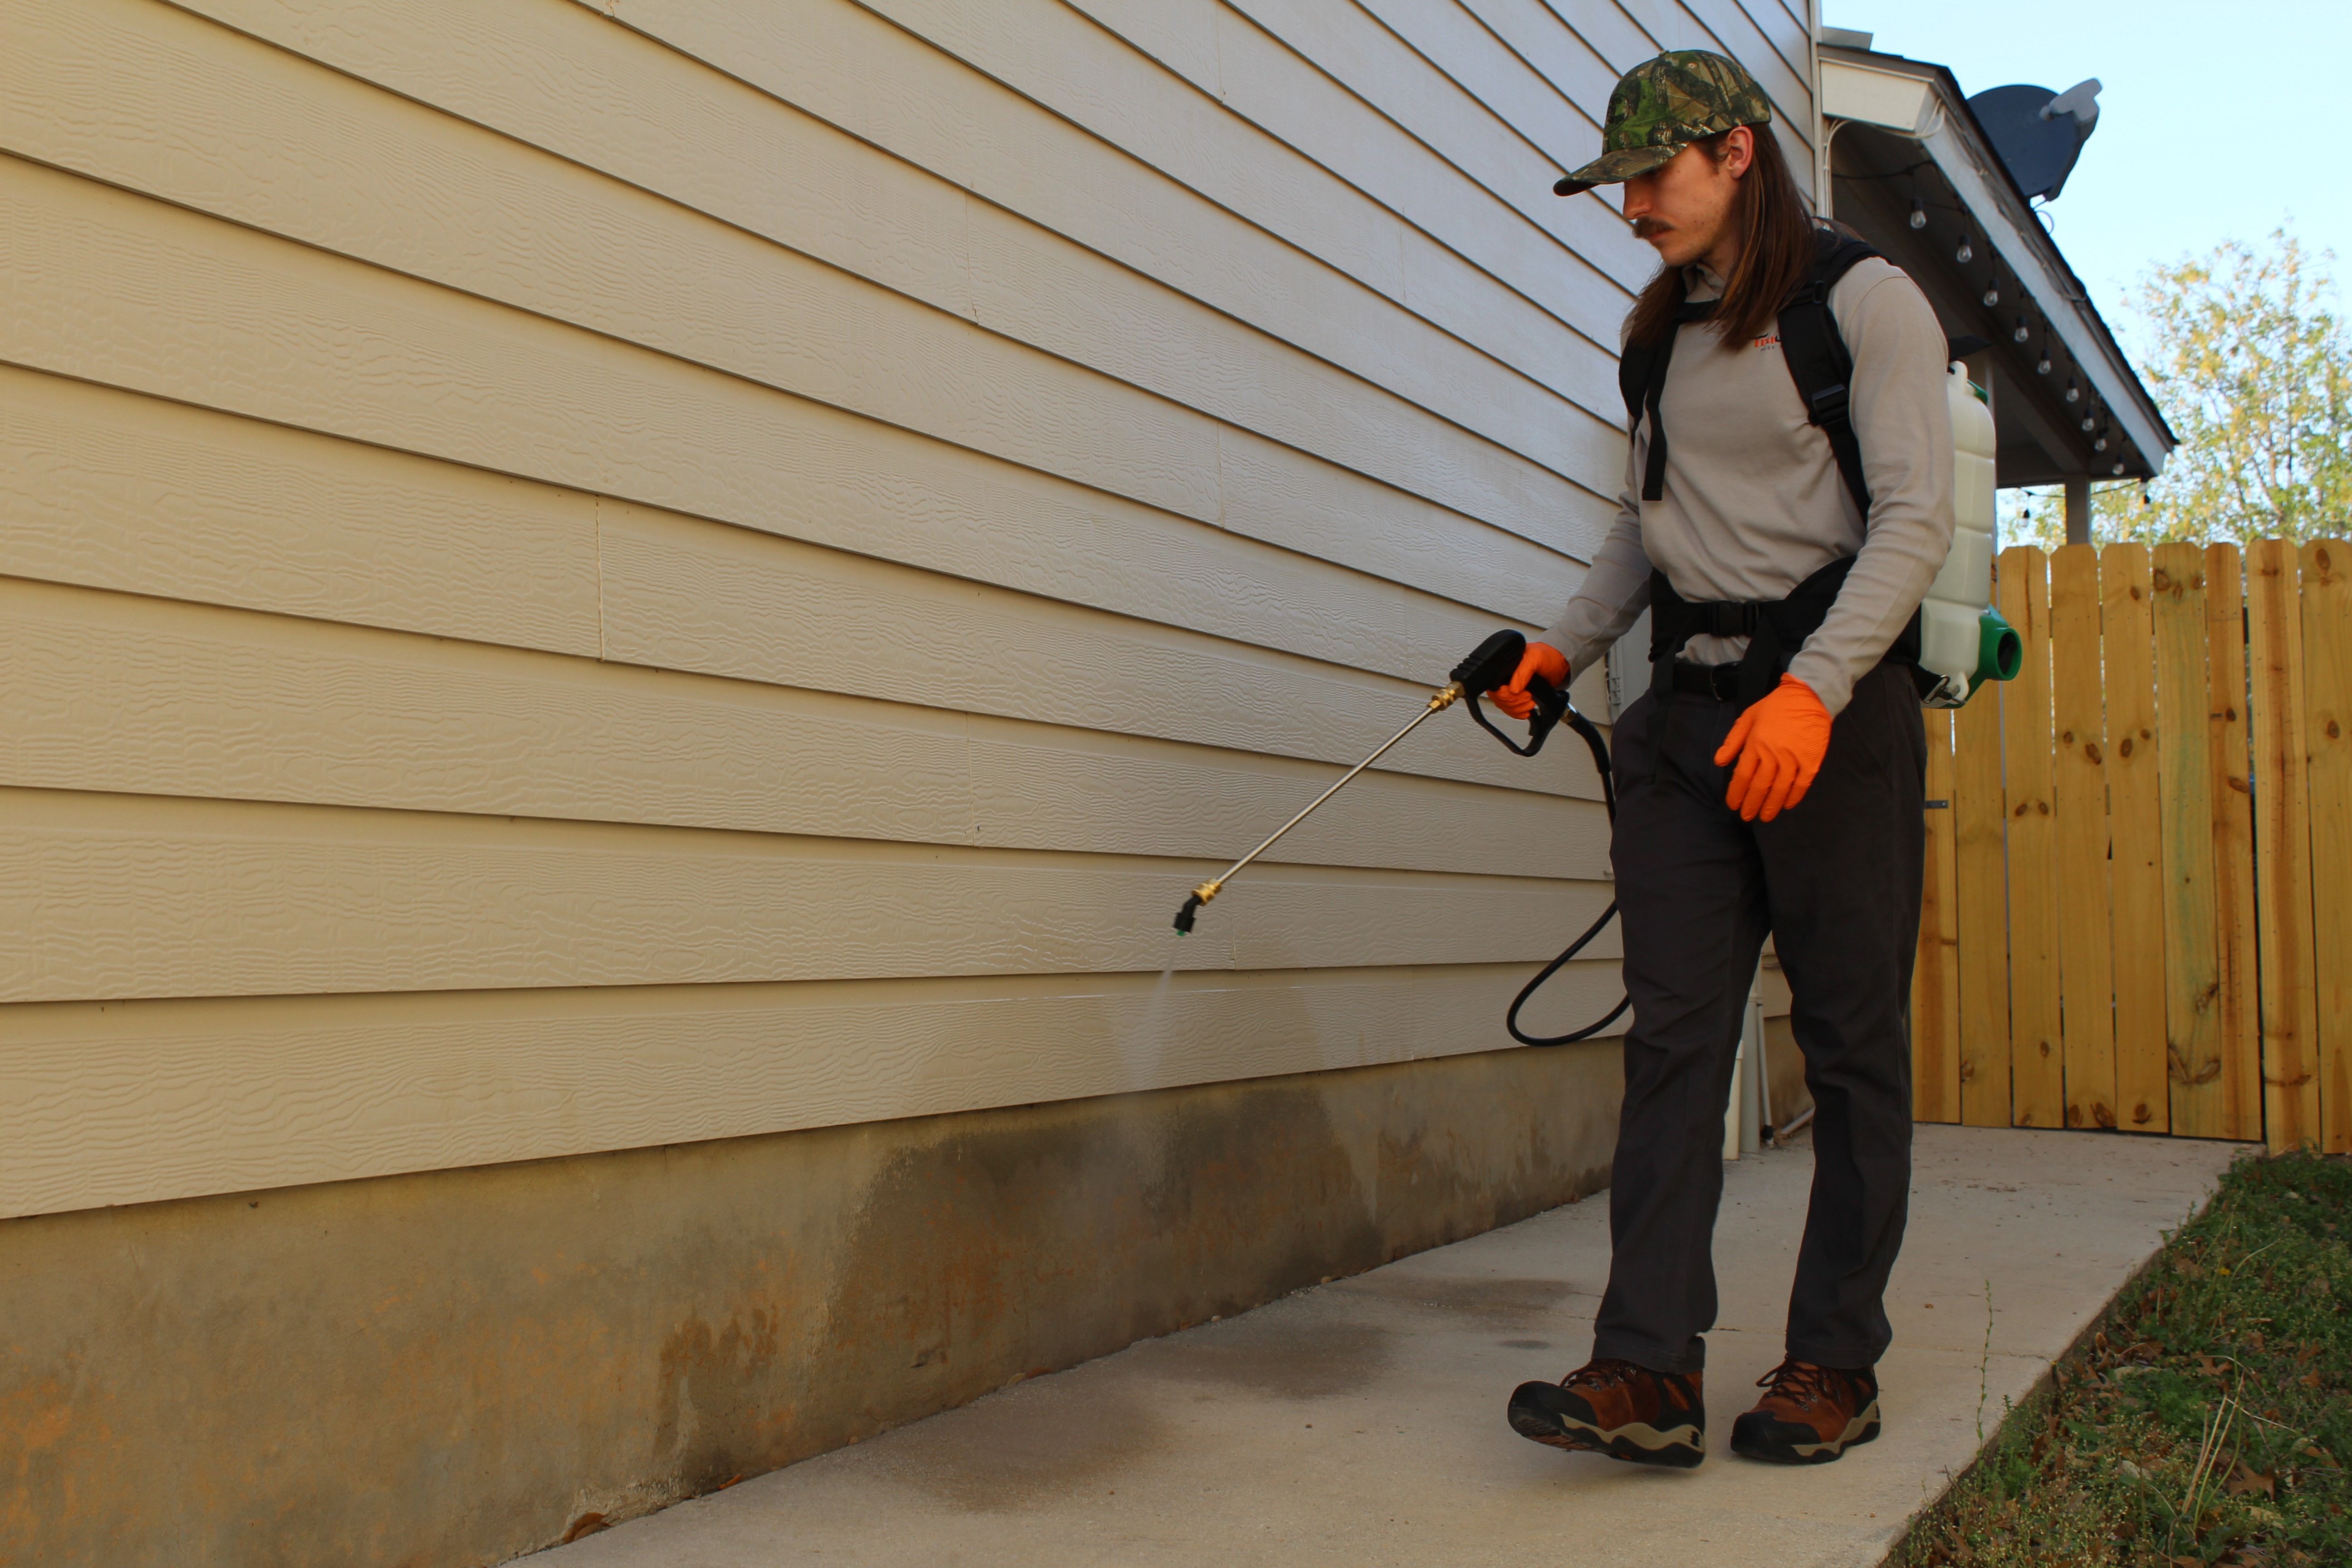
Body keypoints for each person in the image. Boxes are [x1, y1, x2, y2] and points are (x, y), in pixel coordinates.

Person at [1492, 51, 1954, 1467]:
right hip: (1687, 729)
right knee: (1674, 1042)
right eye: (1622, 184)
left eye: (1654, 175)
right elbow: (1649, 523)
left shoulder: (1863, 303)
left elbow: (1915, 521)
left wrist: (1814, 693)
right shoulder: (1660, 332)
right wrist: (1562, 646)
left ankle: (1833, 1364)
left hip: (1829, 716)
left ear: (1738, 154)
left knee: (1851, 1047)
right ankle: (1647, 1370)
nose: (1632, 205)